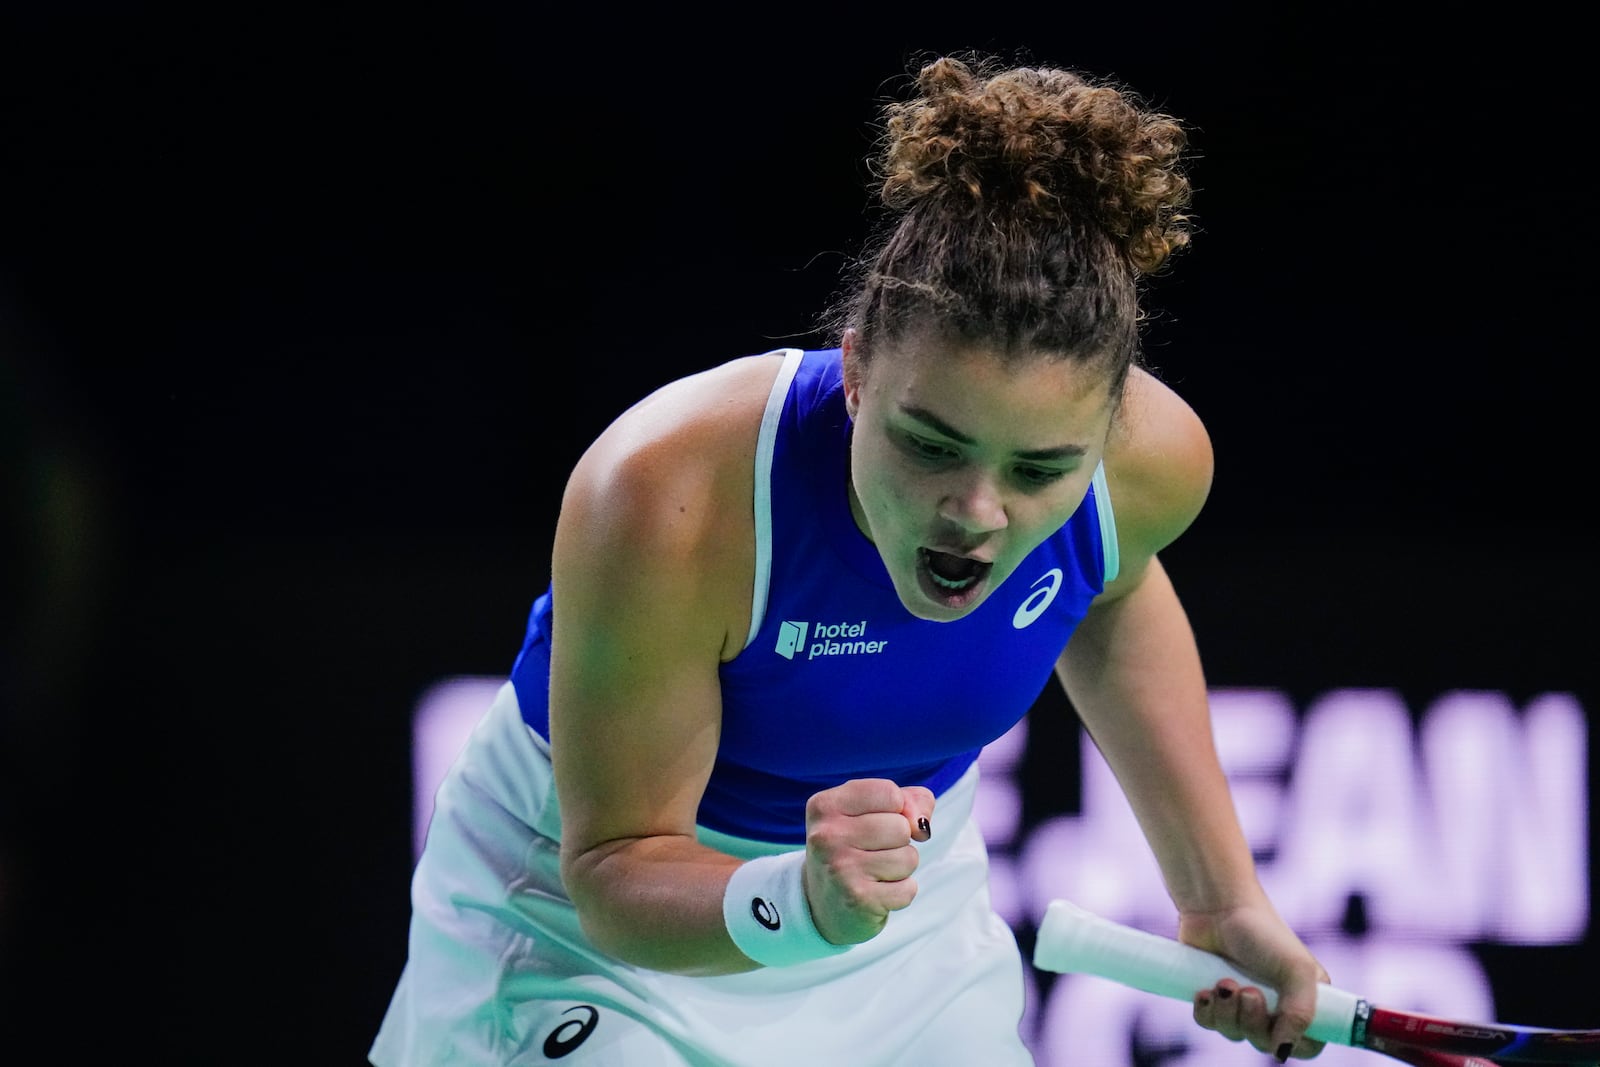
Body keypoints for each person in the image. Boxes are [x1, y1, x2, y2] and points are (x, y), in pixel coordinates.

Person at [370, 51, 1330, 1066]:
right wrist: (801, 900)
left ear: (1106, 429)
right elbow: (615, 867)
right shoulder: (670, 493)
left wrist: (1220, 897)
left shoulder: (1151, 464)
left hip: (892, 914)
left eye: (1041, 467)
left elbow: (1108, 594)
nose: (976, 511)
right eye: (932, 443)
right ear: (859, 368)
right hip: (593, 928)